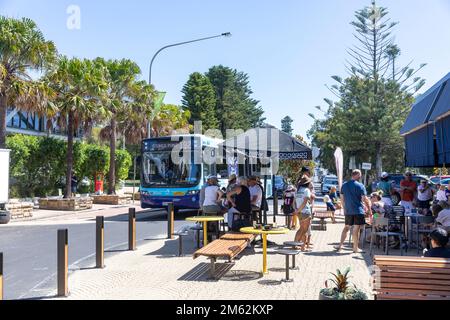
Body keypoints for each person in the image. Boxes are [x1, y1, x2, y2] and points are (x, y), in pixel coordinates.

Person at [335, 169, 372, 254]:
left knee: (346, 227)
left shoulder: (344, 185)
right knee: (356, 230)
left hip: (348, 211)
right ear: (357, 175)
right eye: (360, 175)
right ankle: (355, 248)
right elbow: (364, 199)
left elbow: (342, 199)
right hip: (358, 210)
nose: (360, 176)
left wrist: (344, 209)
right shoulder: (360, 186)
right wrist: (369, 209)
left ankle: (340, 246)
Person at [293, 176, 313, 252]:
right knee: (305, 230)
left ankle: (294, 245)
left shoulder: (297, 190)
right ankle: (303, 247)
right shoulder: (306, 190)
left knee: (301, 229)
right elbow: (305, 202)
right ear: (307, 183)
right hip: (305, 212)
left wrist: (296, 210)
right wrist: (299, 210)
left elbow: (294, 202)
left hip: (299, 213)